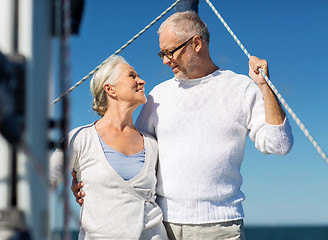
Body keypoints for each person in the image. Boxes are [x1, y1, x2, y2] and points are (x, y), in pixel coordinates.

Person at [71, 11, 294, 240]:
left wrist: (264, 86)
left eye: (170, 52)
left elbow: (279, 144)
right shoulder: (158, 96)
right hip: (163, 227)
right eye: (162, 54)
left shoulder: (242, 88)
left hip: (221, 228)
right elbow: (136, 156)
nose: (166, 60)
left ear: (196, 43)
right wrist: (85, 178)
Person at [50, 55, 168, 240]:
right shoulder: (79, 138)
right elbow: (43, 183)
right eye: (132, 76)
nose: (141, 80)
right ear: (110, 89)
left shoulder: (152, 143)